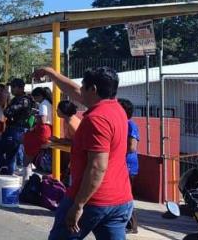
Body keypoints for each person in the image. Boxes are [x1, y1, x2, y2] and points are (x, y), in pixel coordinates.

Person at [36, 66, 133, 240]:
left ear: (93, 89)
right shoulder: (117, 109)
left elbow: (97, 167)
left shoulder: (96, 119)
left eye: (83, 86)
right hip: (121, 200)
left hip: (92, 200)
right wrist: (52, 74)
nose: (79, 90)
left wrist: (78, 205)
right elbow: (74, 90)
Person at [0, 78, 36, 175]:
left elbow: (8, 111)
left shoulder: (24, 100)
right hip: (14, 128)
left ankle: (10, 177)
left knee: (7, 153)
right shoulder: (16, 99)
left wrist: (7, 108)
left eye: (13, 87)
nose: (11, 89)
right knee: (9, 155)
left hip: (18, 129)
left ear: (20, 88)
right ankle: (8, 175)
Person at [119, 98, 139, 234]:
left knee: (126, 195)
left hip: (128, 166)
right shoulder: (121, 123)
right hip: (121, 164)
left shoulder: (130, 125)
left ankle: (132, 225)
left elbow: (132, 146)